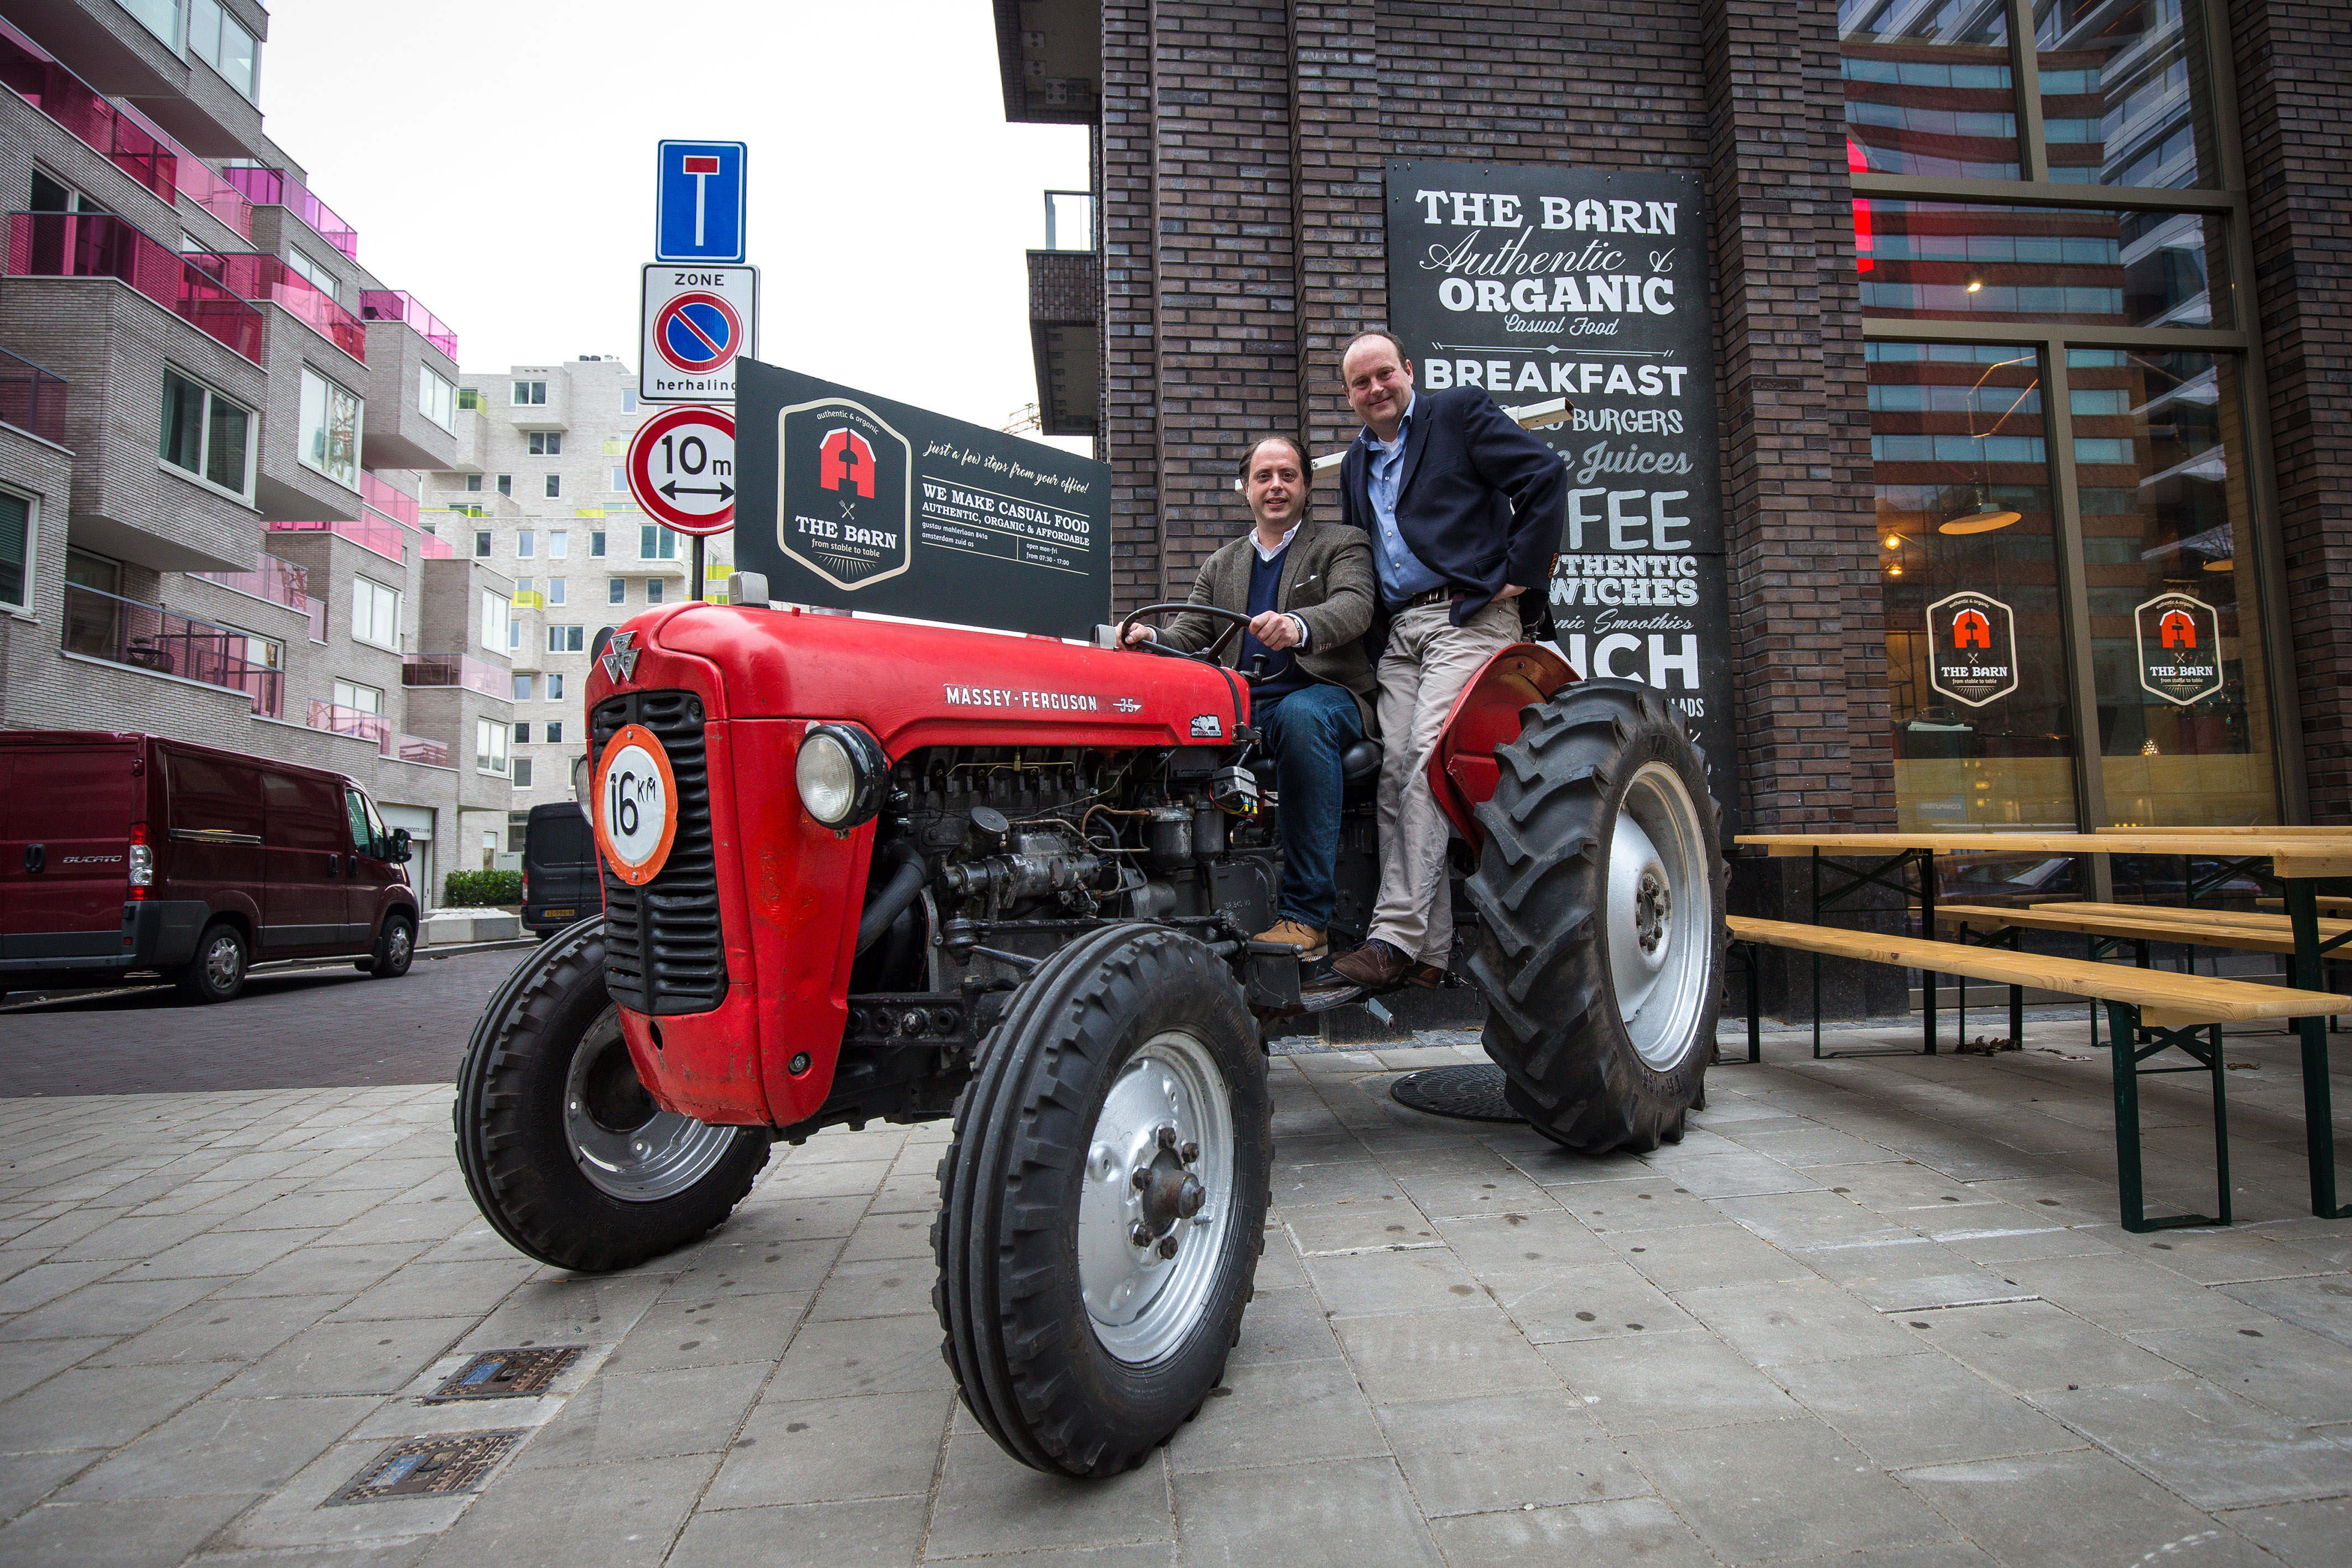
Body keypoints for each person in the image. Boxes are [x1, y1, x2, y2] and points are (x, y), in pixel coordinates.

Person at [1325, 330, 1566, 990]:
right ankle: (1429, 954)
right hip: (1401, 633)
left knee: (1427, 765)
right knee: (1393, 772)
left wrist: (1519, 574)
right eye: (1360, 384)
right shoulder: (1354, 461)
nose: (1375, 389)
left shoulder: (1457, 412)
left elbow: (1543, 475)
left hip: (1466, 617)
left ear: (1408, 372)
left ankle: (1392, 937)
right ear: (1348, 398)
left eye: (1384, 375)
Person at [1125, 435, 1377, 957]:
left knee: (1300, 716)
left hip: (1325, 697)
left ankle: (1307, 918)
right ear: (1246, 489)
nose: (1276, 486)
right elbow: (1191, 634)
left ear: (1306, 485)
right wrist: (1153, 640)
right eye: (1264, 477)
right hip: (1248, 710)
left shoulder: (1341, 542)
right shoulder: (1223, 564)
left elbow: (1354, 607)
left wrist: (1298, 624)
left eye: (1288, 475)